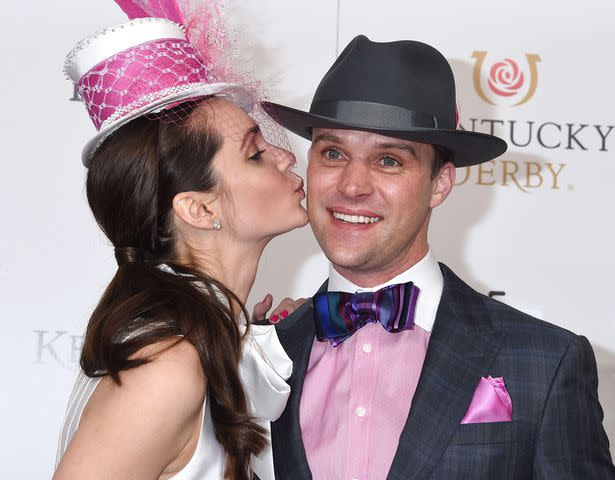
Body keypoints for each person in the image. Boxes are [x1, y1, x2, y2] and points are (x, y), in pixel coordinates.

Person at [262, 35, 615, 479]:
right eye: (333, 153)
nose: (352, 186)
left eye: (388, 161)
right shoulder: (260, 355)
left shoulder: (544, 362)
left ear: (440, 184)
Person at [54, 4, 307, 480]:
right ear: (199, 208)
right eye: (255, 154)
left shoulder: (201, 343)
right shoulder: (169, 364)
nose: (286, 156)